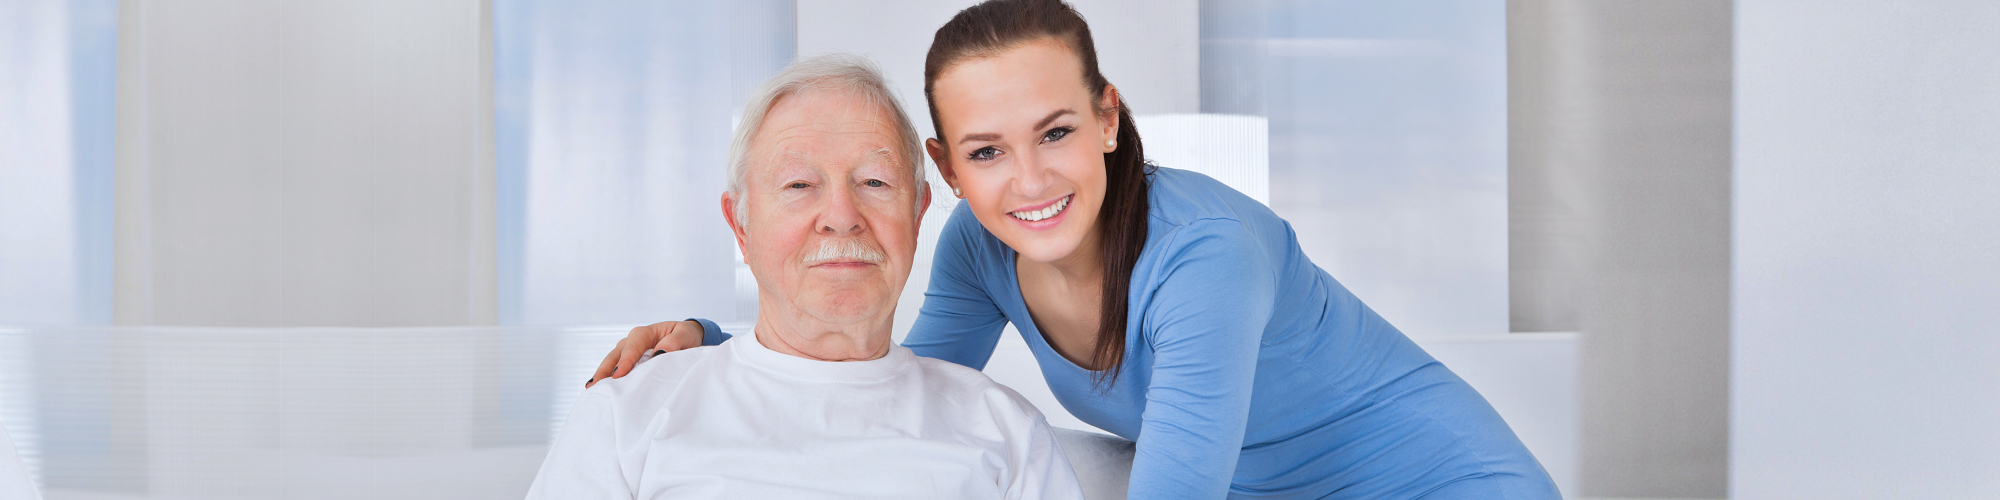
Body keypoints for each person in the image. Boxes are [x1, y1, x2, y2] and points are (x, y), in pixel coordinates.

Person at [596, 0, 1560, 498]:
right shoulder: (981, 247)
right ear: (947, 168)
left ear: (1108, 117)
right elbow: (897, 387)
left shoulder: (1205, 257)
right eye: (986, 152)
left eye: (1054, 132)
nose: (1029, 181)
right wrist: (726, 346)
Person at [529, 54, 1084, 500]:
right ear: (740, 226)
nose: (841, 215)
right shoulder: (627, 413)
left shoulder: (1006, 430)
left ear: (917, 217)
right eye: (798, 185)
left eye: (874, 181)